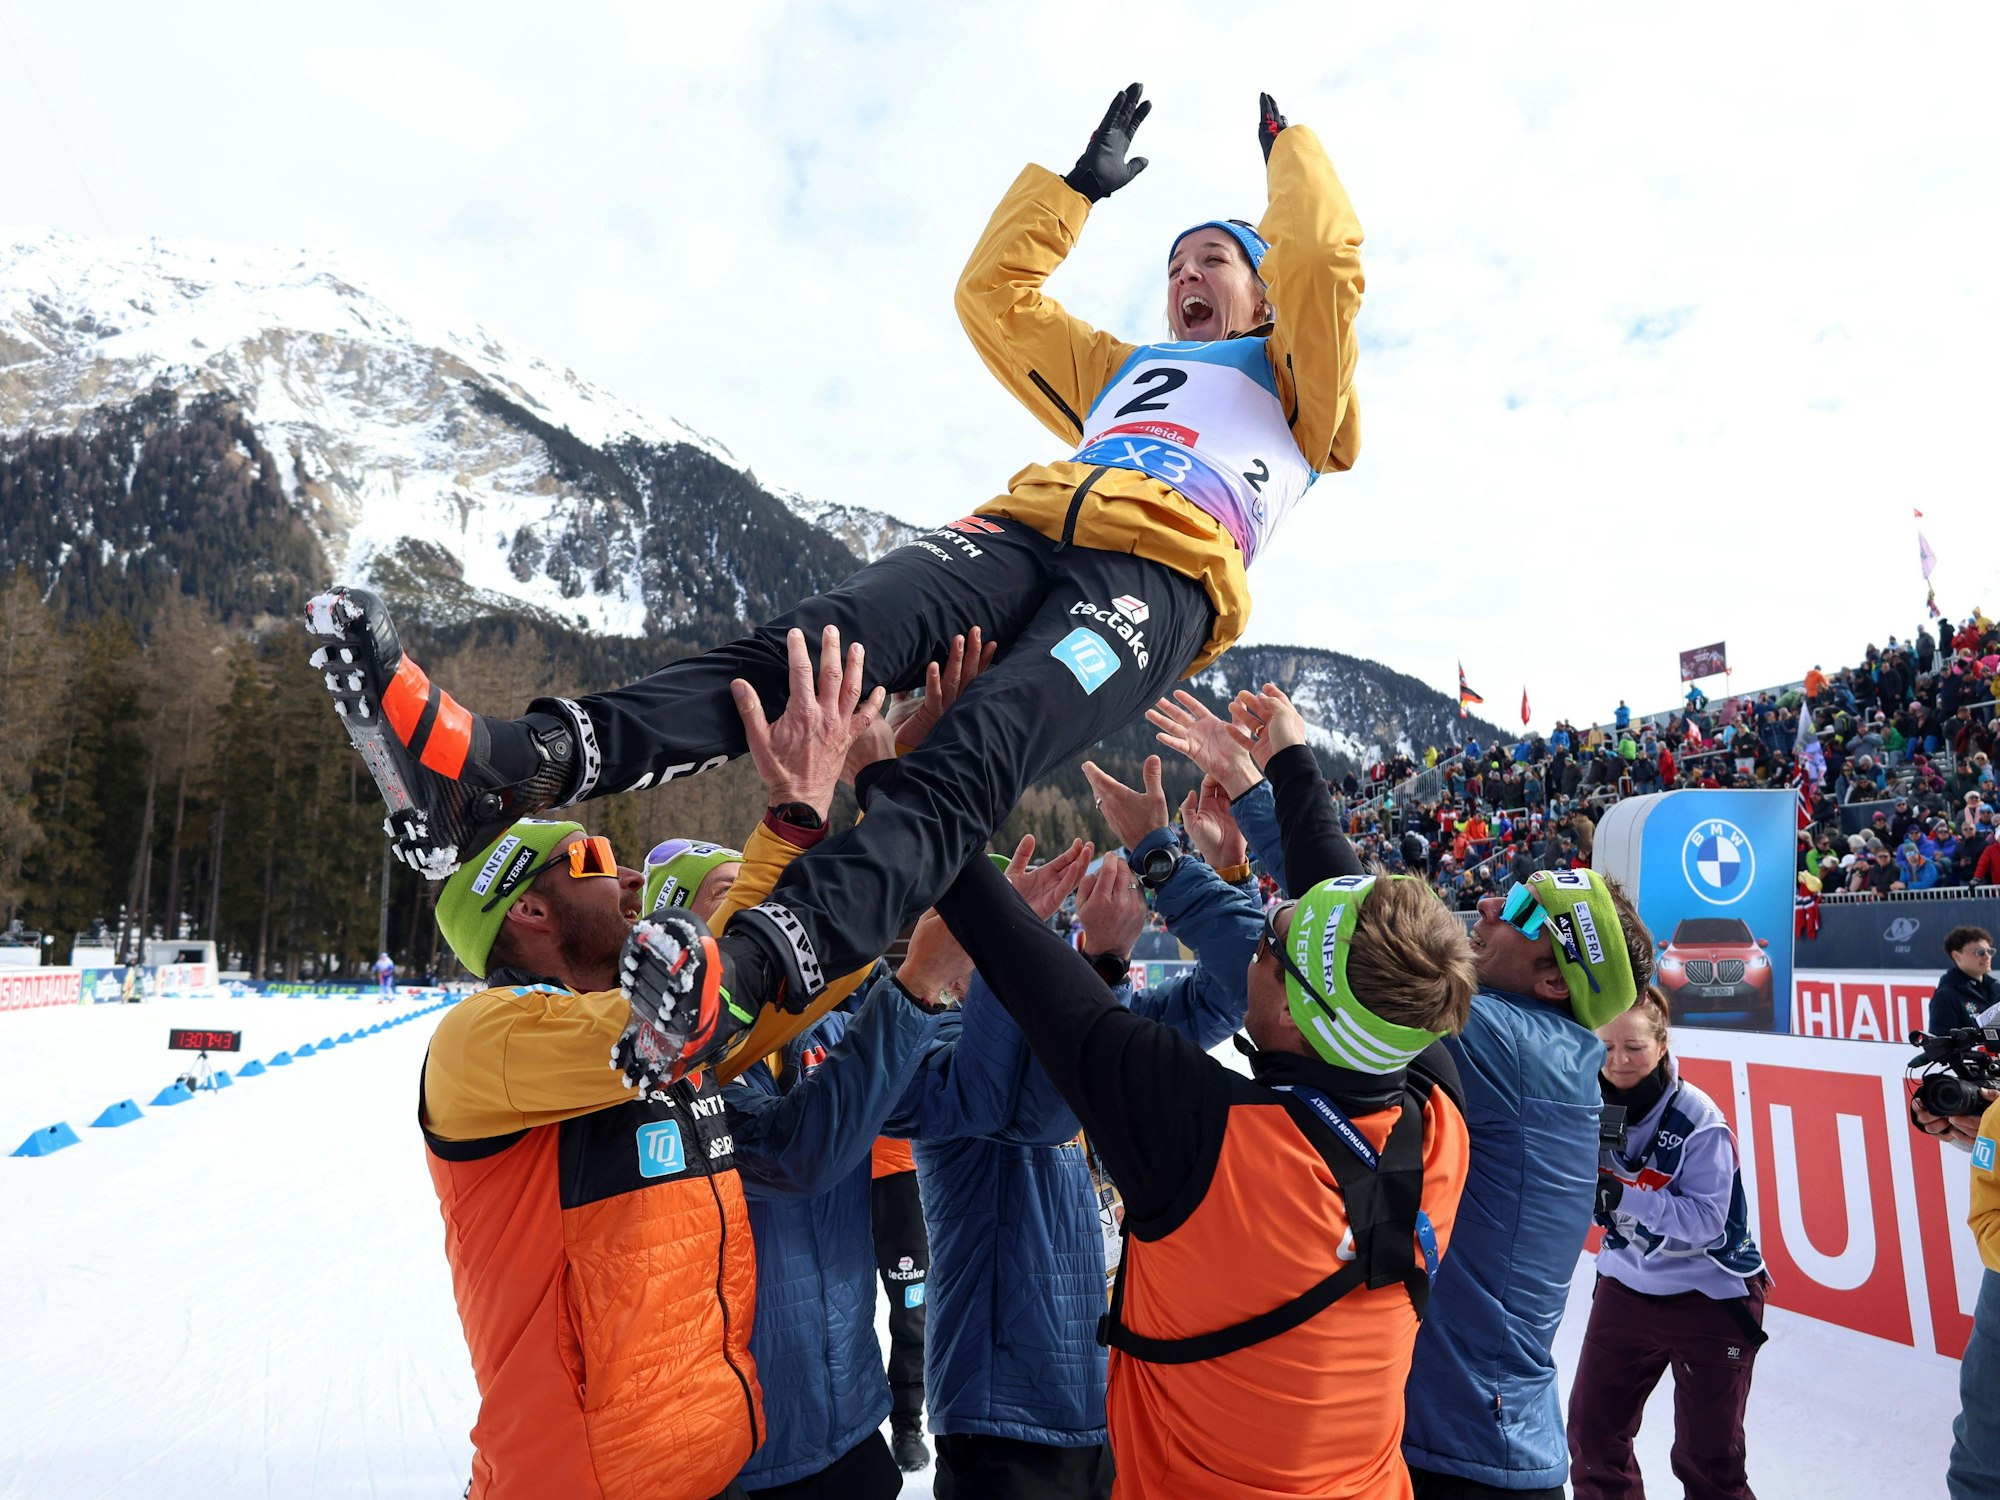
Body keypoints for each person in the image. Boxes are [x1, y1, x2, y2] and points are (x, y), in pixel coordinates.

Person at [304, 83, 1365, 1077]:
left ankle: (755, 968)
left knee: (969, 754)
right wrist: (1071, 192)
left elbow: (1322, 260)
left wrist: (1287, 158)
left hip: (1158, 579)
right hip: (1026, 526)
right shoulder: (1126, 371)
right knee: (818, 648)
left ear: (1263, 291)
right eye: (1175, 262)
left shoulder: (1298, 384)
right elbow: (991, 296)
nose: (1185, 276)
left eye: (1214, 261)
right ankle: (506, 761)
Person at [934, 681, 1475, 1498]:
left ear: (1297, 1011)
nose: (1249, 949)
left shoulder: (1209, 1142)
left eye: (1264, 948)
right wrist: (1275, 770)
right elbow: (1341, 898)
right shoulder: (1435, 1115)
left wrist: (909, 777)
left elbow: (1026, 961)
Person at [416, 634, 901, 1500]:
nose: (634, 875)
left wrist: (852, 807)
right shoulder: (481, 1043)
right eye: (596, 860)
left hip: (715, 1469)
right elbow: (677, 1012)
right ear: (526, 906)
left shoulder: (679, 1033)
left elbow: (778, 979)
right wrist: (790, 824)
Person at [1401, 841, 1652, 1497]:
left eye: (1517, 908)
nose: (1487, 903)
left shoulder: (1506, 1043)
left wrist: (1268, 783)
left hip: (1465, 1457)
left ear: (1552, 982)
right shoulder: (1539, 1049)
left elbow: (1358, 947)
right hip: (1476, 1442)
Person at [1567, 988, 1766, 1500]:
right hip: (1624, 1288)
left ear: (1661, 1045)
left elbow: (1705, 1223)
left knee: (1708, 1460)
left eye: (1633, 1046)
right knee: (1592, 1438)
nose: (1618, 1061)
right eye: (1606, 1047)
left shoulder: (1699, 1119)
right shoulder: (1584, 1097)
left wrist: (1623, 1195)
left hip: (1712, 1297)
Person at [1931, 926, 2000, 1034]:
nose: (1987, 957)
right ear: (1956, 956)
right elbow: (1939, 1045)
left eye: (1990, 952)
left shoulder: (1996, 989)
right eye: (1980, 952)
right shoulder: (1947, 995)